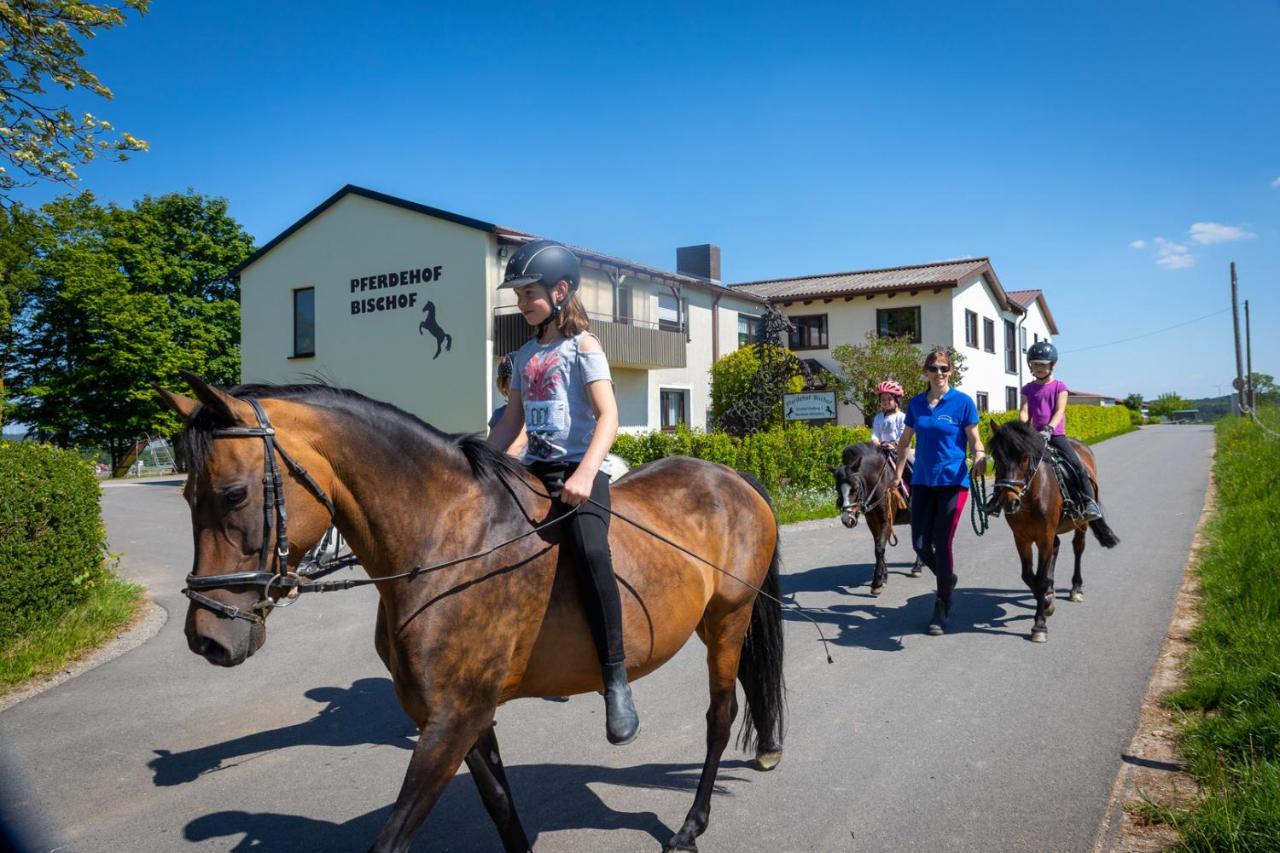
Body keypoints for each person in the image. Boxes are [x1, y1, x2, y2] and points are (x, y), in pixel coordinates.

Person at [486, 239, 639, 745]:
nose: (520, 301)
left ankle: (615, 677)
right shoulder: (525, 354)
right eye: (518, 293)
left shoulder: (583, 347)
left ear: (560, 291)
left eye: (529, 292)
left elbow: (609, 416)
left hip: (581, 469)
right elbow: (512, 421)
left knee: (592, 552)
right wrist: (482, 467)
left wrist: (584, 473)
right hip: (535, 469)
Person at [893, 349, 985, 635]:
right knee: (920, 544)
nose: (939, 372)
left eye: (944, 368)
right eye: (933, 368)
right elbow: (905, 441)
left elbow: (974, 439)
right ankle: (948, 578)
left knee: (942, 543)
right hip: (921, 481)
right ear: (926, 372)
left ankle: (942, 603)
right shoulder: (917, 404)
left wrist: (980, 455)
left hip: (952, 483)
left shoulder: (963, 403)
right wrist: (897, 474)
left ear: (950, 371)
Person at [993, 341, 1102, 521]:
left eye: (1043, 365)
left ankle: (1089, 501)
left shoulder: (1060, 387)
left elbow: (1059, 410)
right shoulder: (1028, 388)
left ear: (1052, 365)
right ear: (1030, 366)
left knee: (1077, 465)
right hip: (1033, 437)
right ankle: (997, 501)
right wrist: (1022, 428)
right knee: (1010, 463)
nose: (1039, 368)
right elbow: (1024, 410)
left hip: (1056, 435)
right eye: (1036, 364)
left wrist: (1049, 429)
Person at [870, 379, 912, 496]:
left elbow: (903, 435)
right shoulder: (878, 418)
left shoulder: (901, 417)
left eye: (889, 399)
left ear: (896, 400)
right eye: (883, 399)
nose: (886, 402)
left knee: (913, 464)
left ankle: (915, 493)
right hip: (882, 450)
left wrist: (894, 444)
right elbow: (875, 434)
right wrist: (875, 441)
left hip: (898, 450)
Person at [487, 354, 527, 457]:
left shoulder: (532, 412)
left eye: (516, 380)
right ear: (503, 385)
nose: (514, 385)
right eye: (509, 380)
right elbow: (490, 447)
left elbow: (520, 445)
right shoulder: (498, 415)